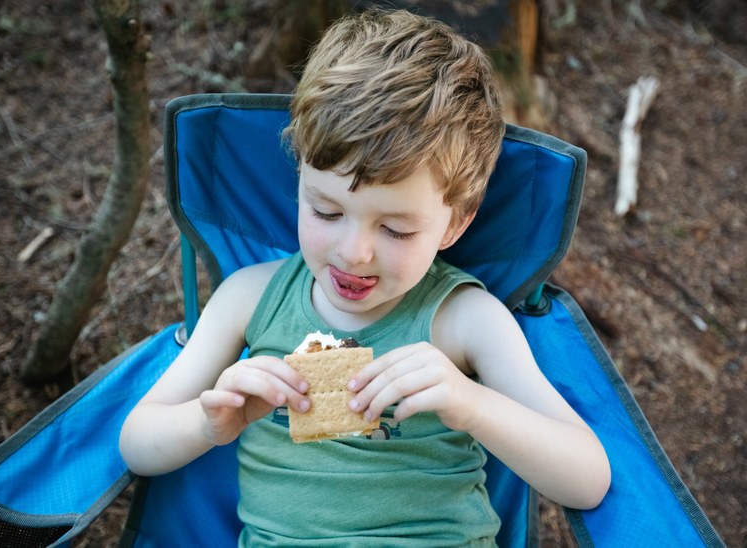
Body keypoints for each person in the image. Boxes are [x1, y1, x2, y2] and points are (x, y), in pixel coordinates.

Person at [119, 9, 610, 546]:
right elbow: (137, 444)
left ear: (456, 222)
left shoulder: (465, 320)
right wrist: (205, 424)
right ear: (300, 175)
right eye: (326, 212)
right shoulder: (249, 299)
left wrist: (471, 405)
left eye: (397, 229)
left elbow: (586, 479)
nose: (353, 254)